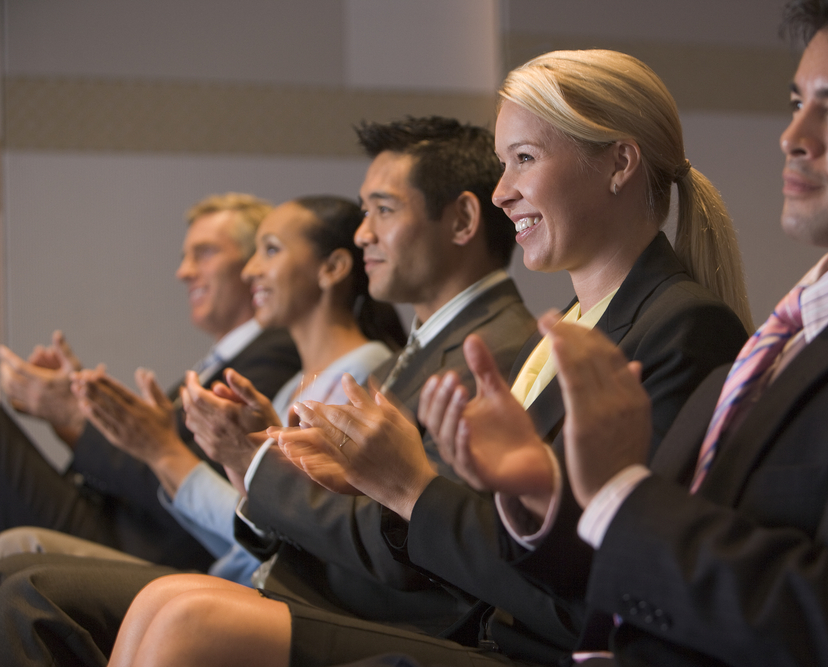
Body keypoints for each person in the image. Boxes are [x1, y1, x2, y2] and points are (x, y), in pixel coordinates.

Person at [316, 1, 828, 665]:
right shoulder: (796, 332)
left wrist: (614, 491)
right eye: (798, 104)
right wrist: (545, 497)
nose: (793, 137)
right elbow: (662, 556)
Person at [105, 50, 752, 667]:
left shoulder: (682, 326)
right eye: (502, 164)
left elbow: (601, 572)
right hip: (482, 625)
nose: (503, 192)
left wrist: (411, 486)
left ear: (619, 164)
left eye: (523, 159)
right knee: (165, 604)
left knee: (183, 617)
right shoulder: (572, 328)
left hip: (524, 643)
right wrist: (355, 471)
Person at [0, 117, 537, 667]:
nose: (362, 232)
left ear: (464, 220)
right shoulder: (430, 345)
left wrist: (256, 461)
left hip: (390, 616)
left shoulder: (486, 351)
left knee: (41, 592)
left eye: (383, 209)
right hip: (321, 582)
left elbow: (409, 542)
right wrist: (263, 458)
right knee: (56, 587)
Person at [23, 195, 403, 585]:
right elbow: (247, 535)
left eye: (269, 250)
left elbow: (293, 540)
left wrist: (163, 451)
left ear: (333, 268)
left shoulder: (362, 373)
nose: (252, 270)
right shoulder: (294, 383)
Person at [0, 193, 301, 570]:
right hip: (110, 517)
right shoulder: (221, 361)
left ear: (254, 263)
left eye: (204, 253)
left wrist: (77, 413)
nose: (184, 272)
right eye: (184, 258)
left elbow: (188, 483)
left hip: (141, 543)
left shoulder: (275, 352)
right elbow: (144, 452)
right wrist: (77, 411)